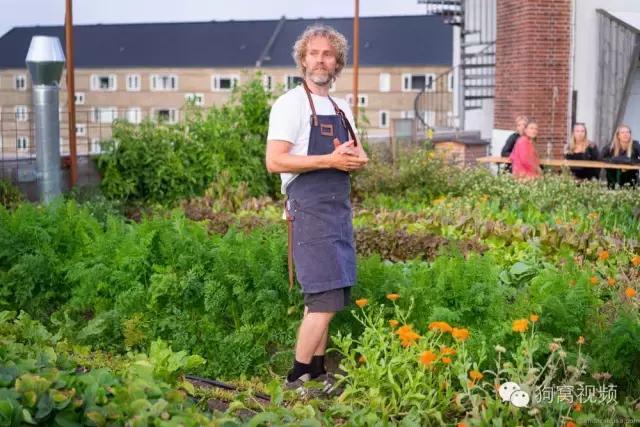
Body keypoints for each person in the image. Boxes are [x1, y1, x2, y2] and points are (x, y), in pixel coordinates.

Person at [265, 24, 368, 394]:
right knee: (321, 300)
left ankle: (318, 372)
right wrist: (330, 160)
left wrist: (357, 160)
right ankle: (294, 378)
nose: (320, 60)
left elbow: (356, 154)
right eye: (314, 53)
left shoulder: (341, 107)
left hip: (337, 210)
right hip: (308, 209)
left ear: (337, 61)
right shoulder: (290, 104)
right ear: (302, 60)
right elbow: (275, 161)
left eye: (327, 54)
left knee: (331, 295)